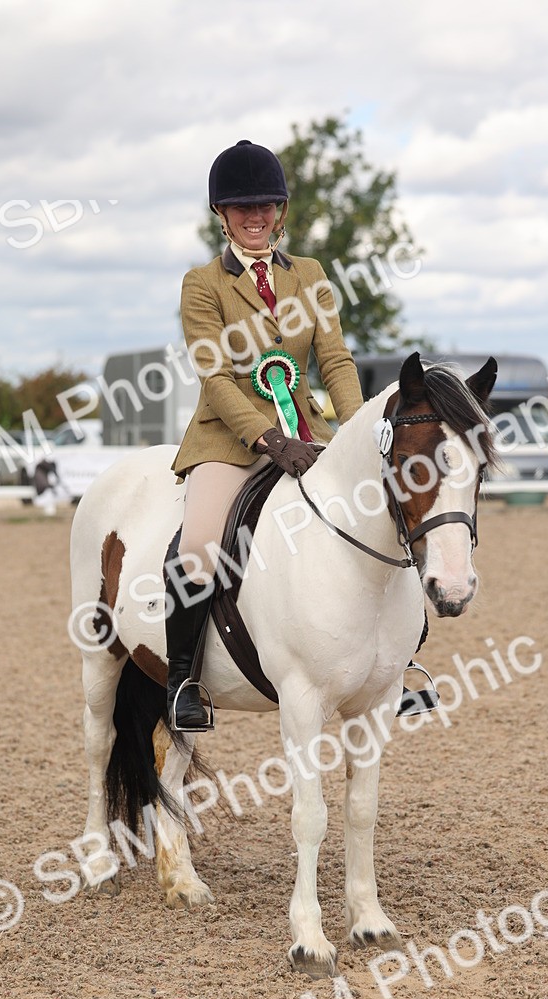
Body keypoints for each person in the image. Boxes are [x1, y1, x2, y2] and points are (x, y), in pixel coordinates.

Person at [166, 138, 365, 731]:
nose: (255, 217)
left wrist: (355, 434)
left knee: (377, 517)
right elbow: (216, 375)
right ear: (222, 215)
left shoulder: (310, 274)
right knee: (200, 547)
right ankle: (183, 681)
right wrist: (266, 439)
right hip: (229, 440)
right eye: (241, 208)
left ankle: (394, 663)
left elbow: (335, 361)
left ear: (281, 211)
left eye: (266, 206)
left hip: (309, 433)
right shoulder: (202, 284)